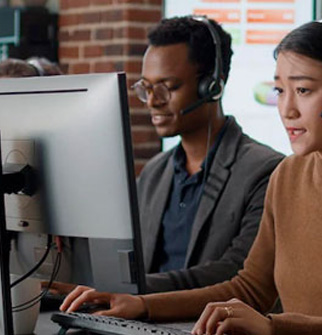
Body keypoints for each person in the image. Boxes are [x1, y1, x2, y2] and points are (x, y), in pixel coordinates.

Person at [61, 17, 322, 335]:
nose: (287, 109)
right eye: (280, 90)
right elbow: (249, 287)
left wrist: (274, 328)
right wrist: (142, 305)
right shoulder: (288, 176)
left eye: (304, 90)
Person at [53, 15, 283, 296]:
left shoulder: (266, 171)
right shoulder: (154, 172)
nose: (153, 101)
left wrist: (133, 292)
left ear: (212, 85)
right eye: (147, 88)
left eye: (168, 87)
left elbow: (237, 271)